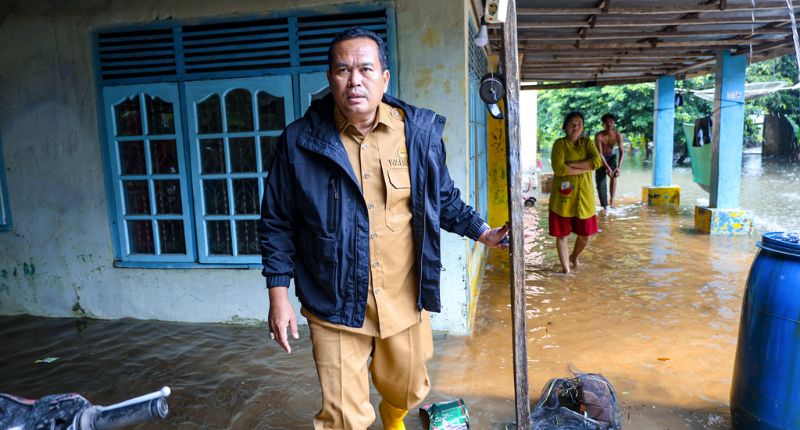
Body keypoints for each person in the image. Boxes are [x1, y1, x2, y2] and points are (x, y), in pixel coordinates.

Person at [258, 27, 509, 430]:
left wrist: (484, 232)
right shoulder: (299, 142)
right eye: (342, 70)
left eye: (365, 69)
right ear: (329, 78)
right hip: (332, 300)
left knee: (409, 389)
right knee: (343, 417)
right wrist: (278, 295)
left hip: (402, 296)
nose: (354, 80)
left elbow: (441, 199)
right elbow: (277, 221)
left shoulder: (417, 133)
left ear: (384, 78)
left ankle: (393, 418)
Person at [549, 112, 603, 274]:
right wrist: (584, 167)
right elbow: (559, 169)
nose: (575, 127)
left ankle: (573, 257)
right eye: (572, 124)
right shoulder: (559, 144)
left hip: (584, 197)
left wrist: (571, 164)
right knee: (562, 235)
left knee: (586, 235)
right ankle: (566, 270)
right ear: (565, 126)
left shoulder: (587, 143)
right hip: (563, 198)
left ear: (583, 127)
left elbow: (597, 162)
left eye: (579, 124)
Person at [594, 113, 625, 210]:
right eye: (607, 122)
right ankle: (604, 205)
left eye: (611, 121)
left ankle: (612, 201)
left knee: (614, 175)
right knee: (600, 183)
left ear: (614, 123)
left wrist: (619, 168)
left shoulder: (617, 135)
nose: (609, 124)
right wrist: (607, 168)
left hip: (611, 157)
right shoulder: (598, 136)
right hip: (600, 158)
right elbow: (600, 153)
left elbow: (621, 151)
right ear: (603, 124)